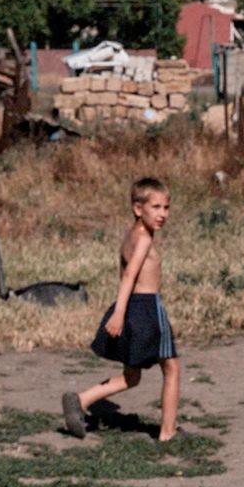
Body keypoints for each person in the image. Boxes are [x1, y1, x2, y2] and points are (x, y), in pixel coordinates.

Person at [63, 176, 180, 442]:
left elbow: (125, 275)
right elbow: (128, 276)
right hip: (148, 308)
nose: (163, 214)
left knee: (132, 376)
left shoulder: (132, 234)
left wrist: (122, 310)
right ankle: (168, 432)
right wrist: (117, 314)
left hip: (132, 308)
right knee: (171, 368)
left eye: (166, 207)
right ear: (138, 208)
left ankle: (81, 400)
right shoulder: (144, 240)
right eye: (156, 207)